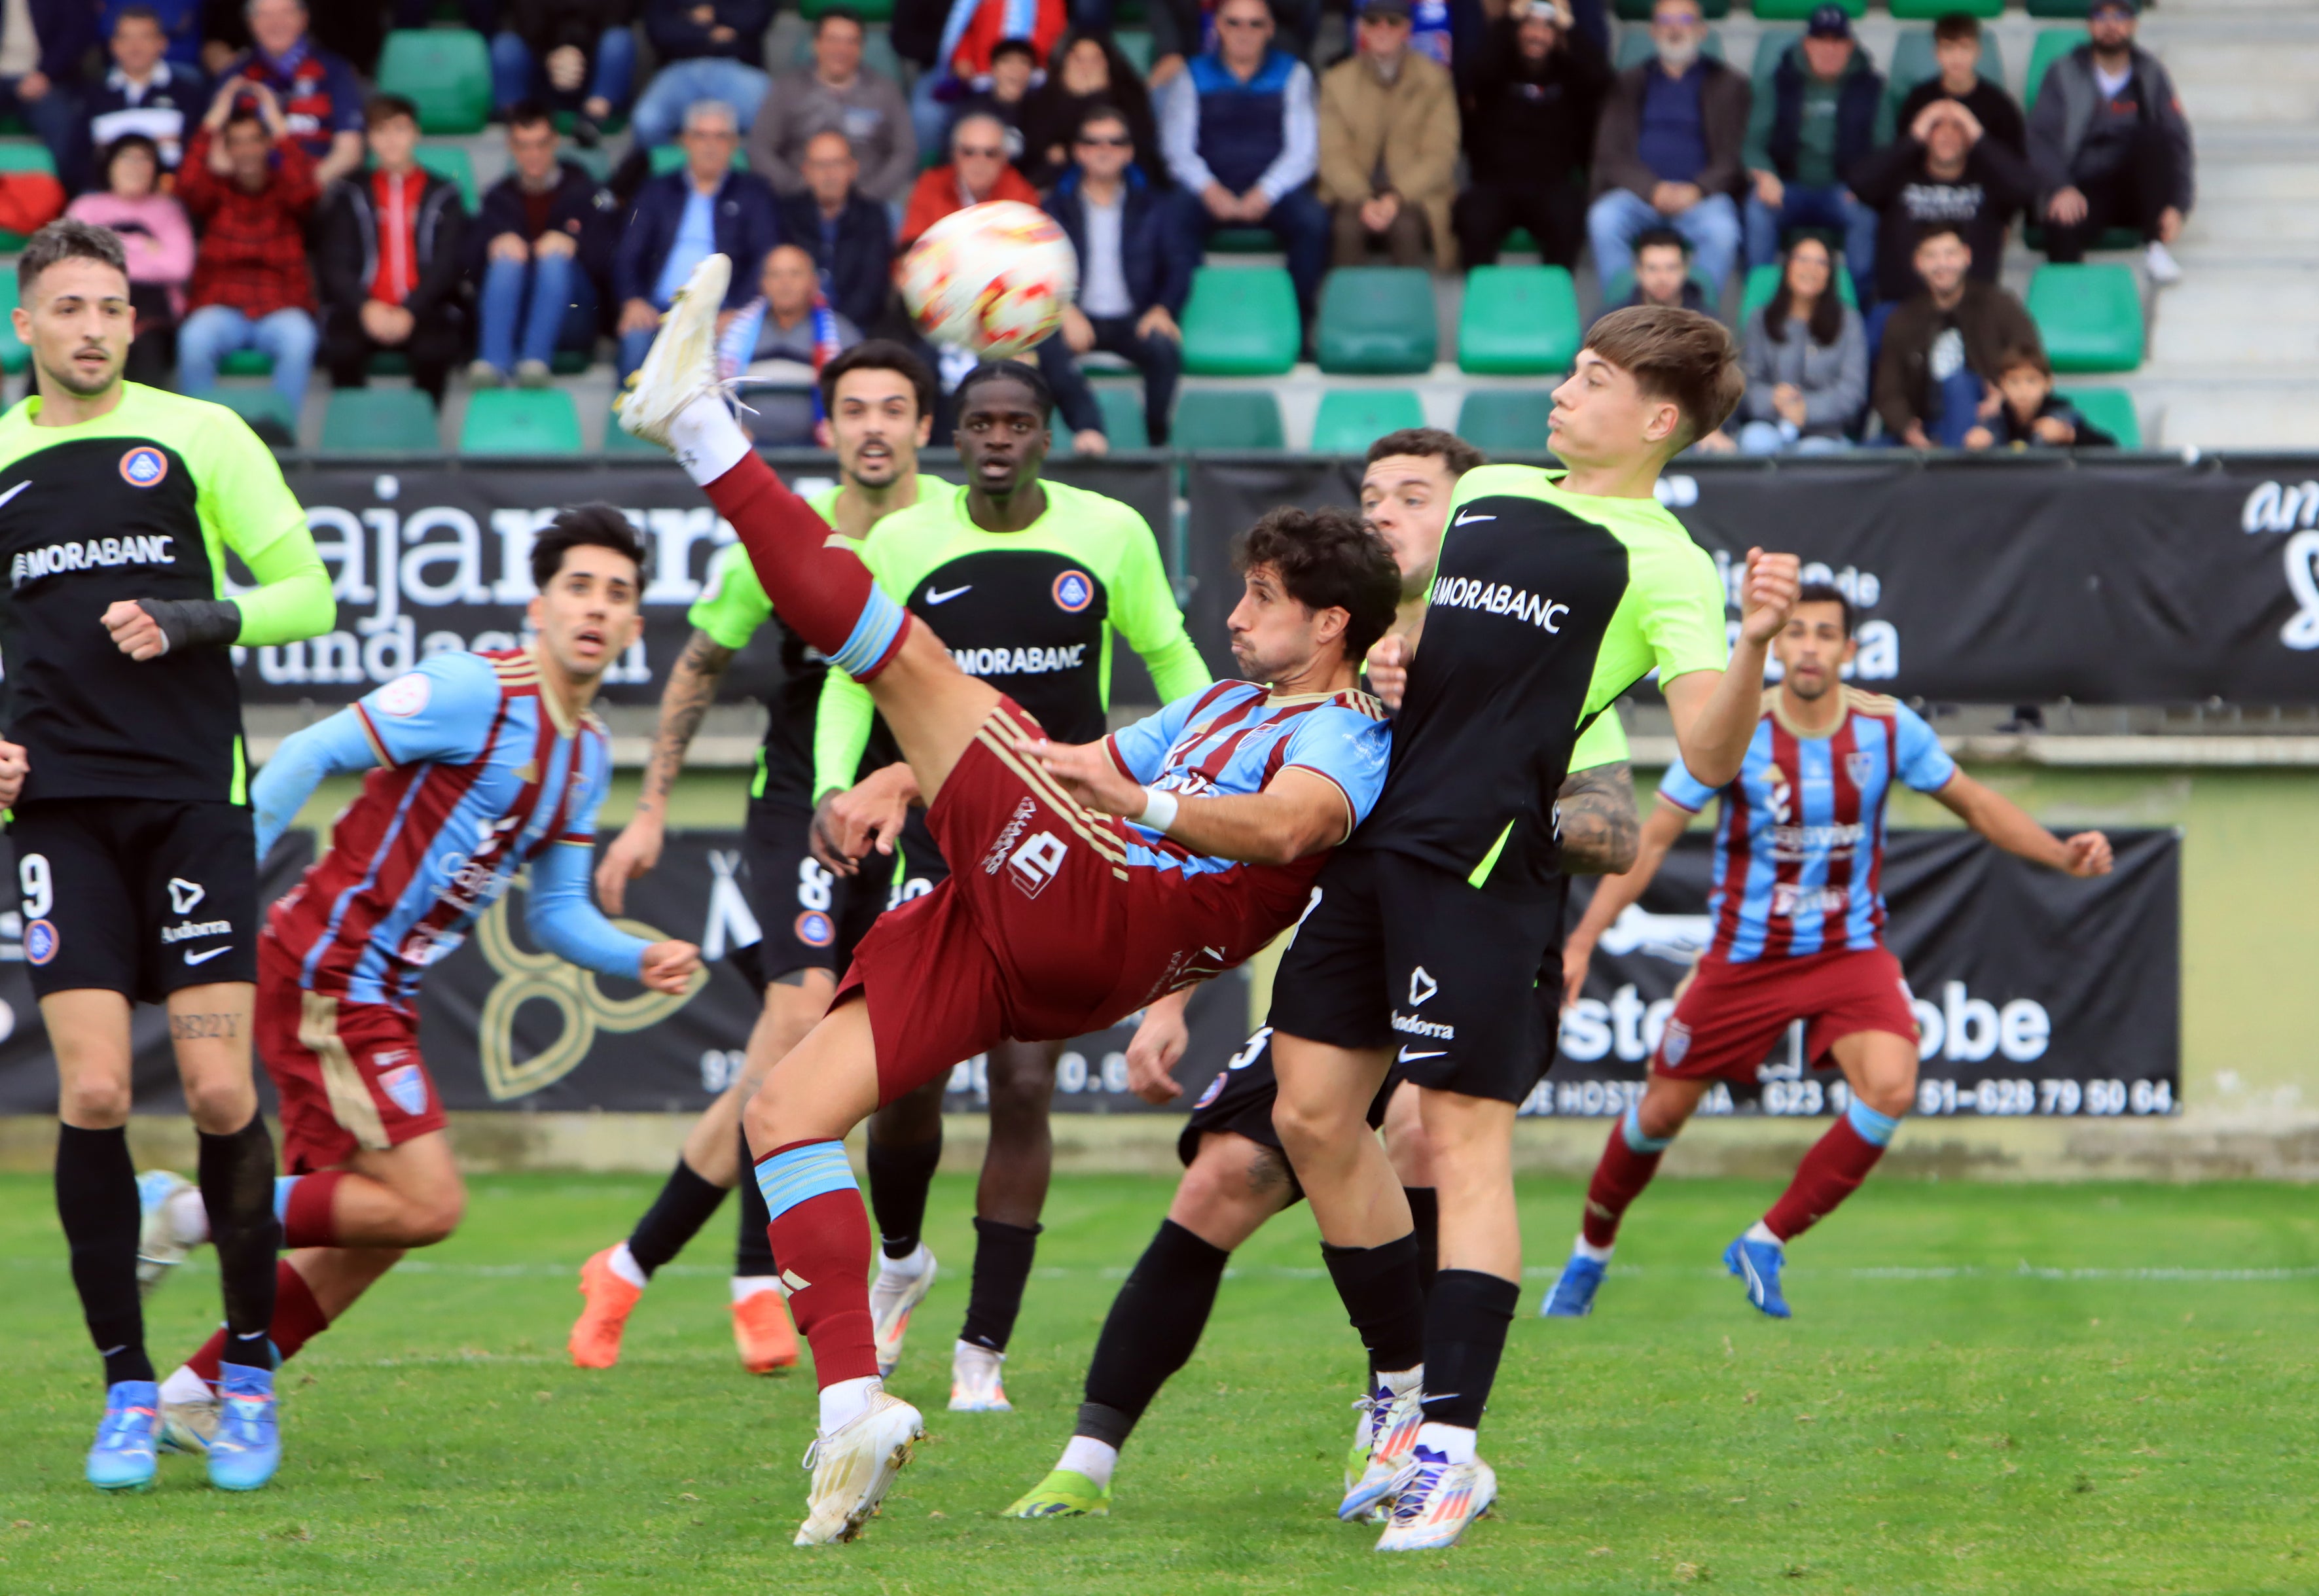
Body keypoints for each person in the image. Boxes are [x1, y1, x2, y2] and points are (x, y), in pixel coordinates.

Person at [614, 251, 1401, 1544]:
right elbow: (1064, 760)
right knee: (785, 1110)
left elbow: (1288, 827)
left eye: (1261, 599)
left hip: (1106, 912)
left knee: (908, 659)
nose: (1238, 612)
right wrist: (919, 785)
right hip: (1026, 918)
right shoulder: (1222, 702)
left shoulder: (1350, 732)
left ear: (1326, 625)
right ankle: (851, 1406)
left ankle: (699, 426)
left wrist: (1105, 792)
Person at [1003, 427, 1642, 1521]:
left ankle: (1410, 1427)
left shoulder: (1537, 662)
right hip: (1355, 947)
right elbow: (1252, 849)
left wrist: (1483, 798)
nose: (1386, 512)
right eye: (1371, 494)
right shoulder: (1326, 690)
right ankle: (1088, 1456)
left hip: (1468, 948)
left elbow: (1610, 826)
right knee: (1228, 1170)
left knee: (1417, 1136)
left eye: (1413, 496)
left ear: (1473, 531)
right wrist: (1173, 997)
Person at [1264, 304, 1801, 1550]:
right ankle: (1399, 1385)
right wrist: (1389, 647)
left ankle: (1448, 1448)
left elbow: (1709, 751)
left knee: (1461, 1143)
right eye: (1570, 367)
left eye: (1594, 378)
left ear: (1657, 418)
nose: (1562, 389)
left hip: (1489, 865)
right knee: (1306, 1113)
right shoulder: (1492, 484)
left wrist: (1757, 646)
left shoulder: (1660, 556)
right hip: (1377, 838)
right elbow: (1409, 614)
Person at [151, 510, 704, 1456]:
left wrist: (633, 955)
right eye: (578, 585)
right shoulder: (472, 687)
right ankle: (180, 1210)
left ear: (632, 627)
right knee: (426, 1203)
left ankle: (201, 1390)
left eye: (617, 594)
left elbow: (555, 912)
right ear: (539, 604)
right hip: (331, 970)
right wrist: (220, 892)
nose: (595, 607)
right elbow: (310, 751)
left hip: (376, 988)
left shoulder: (586, 752)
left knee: (370, 1233)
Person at [0, 217, 333, 1493]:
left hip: (195, 804)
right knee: (89, 1094)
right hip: (63, 819)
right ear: (27, 325)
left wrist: (200, 615)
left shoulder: (201, 434)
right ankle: (126, 1386)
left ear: (135, 324)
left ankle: (244, 1373)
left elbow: (307, 590)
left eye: (112, 307)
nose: (92, 326)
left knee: (217, 1095)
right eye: (67, 306)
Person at [810, 357, 1213, 1409]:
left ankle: (980, 1352)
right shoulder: (900, 541)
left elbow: (1173, 663)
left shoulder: (1109, 531)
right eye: (980, 422)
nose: (997, 437)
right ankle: (899, 1254)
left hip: (1061, 848)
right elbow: (855, 678)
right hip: (940, 848)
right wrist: (829, 784)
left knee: (1024, 1085)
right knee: (903, 1087)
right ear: (953, 437)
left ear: (1044, 435)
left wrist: (1206, 770)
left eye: (1017, 422)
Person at [1545, 584, 2115, 1321]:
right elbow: (1652, 839)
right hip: (1744, 959)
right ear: (1776, 646)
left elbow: (1975, 803)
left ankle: (1765, 1241)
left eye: (1826, 635)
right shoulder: (1735, 729)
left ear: (1851, 651)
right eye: (1797, 633)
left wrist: (2062, 854)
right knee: (1658, 1114)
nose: (1809, 647)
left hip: (1849, 953)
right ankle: (1591, 1252)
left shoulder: (1886, 728)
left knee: (1891, 1088)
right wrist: (1584, 939)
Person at [572, 342, 954, 1377]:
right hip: (799, 808)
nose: (873, 426)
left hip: (922, 812)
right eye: (852, 410)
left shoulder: (949, 538)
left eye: (893, 408)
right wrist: (648, 809)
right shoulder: (780, 542)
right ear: (826, 430)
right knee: (796, 1027)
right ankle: (758, 1280)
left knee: (813, 1066)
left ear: (925, 425)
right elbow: (697, 664)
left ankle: (637, 1262)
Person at [1162, 0, 1329, 327]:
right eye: (1234, 23)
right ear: (1218, 27)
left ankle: (1299, 325)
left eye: (1255, 24)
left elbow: (1303, 152)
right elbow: (1177, 150)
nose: (1244, 32)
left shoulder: (1293, 72)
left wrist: (1266, 192)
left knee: (1314, 223)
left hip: (1272, 190)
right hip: (1209, 189)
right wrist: (1210, 190)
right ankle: (1181, 322)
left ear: (1270, 29)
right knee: (1171, 219)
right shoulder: (1193, 74)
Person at [173, 82, 320, 420]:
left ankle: (280, 433)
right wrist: (213, 120)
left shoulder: (285, 190)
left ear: (267, 144)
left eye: (254, 140)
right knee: (194, 340)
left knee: (300, 338)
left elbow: (307, 187)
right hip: (222, 308)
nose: (247, 150)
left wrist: (280, 125)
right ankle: (204, 438)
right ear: (226, 149)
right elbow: (187, 184)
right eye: (236, 142)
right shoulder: (216, 192)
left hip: (279, 306)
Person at [1047, 103, 1191, 445]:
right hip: (1077, 318)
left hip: (1134, 320)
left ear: (1129, 152)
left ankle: (1157, 445)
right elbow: (1040, 269)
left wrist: (1162, 309)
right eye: (1093, 142)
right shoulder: (1054, 208)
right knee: (1043, 349)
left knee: (1164, 349)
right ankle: (1088, 431)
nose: (1104, 150)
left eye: (1115, 142)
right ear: (1078, 151)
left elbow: (1179, 266)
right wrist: (1064, 309)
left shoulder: (1157, 207)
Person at [1585, 0, 1746, 299]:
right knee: (1603, 219)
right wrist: (1652, 189)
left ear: (1701, 30)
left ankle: (1697, 318)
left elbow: (1735, 155)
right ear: (1653, 31)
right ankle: (1626, 318)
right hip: (1639, 197)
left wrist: (1697, 189)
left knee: (1723, 232)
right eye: (1665, 20)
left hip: (1701, 198)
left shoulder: (1729, 84)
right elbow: (1609, 153)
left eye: (1684, 19)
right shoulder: (1629, 82)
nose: (1674, 28)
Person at [2026, 0, 2194, 285]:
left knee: (2152, 137)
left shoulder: (2150, 73)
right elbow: (2040, 138)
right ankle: (2070, 294)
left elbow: (2177, 142)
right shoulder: (2064, 72)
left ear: (2133, 24)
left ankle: (2155, 248)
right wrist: (2059, 186)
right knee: (2061, 217)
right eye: (2101, 16)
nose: (2111, 25)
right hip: (2082, 187)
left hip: (2134, 191)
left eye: (2120, 16)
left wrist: (2178, 205)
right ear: (2090, 25)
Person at [317, 96, 469, 408]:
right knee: (342, 349)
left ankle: (424, 441)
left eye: (400, 129)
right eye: (381, 131)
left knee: (434, 350)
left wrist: (411, 309)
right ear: (369, 139)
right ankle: (353, 437)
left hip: (424, 306)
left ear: (416, 134)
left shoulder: (443, 194)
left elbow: (447, 263)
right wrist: (366, 307)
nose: (391, 141)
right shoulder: (350, 193)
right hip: (363, 307)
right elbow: (335, 262)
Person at [613, 99, 781, 382]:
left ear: (734, 145)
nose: (710, 145)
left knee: (728, 365)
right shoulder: (656, 190)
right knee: (634, 342)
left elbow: (766, 258)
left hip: (723, 312)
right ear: (685, 142)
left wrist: (738, 311)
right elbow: (628, 253)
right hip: (659, 311)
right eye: (701, 136)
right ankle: (632, 427)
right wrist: (633, 300)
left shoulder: (754, 193)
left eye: (720, 137)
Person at [1740, 6, 1882, 309]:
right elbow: (1753, 144)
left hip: (1844, 192)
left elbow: (1886, 151)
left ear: (1850, 45)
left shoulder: (1871, 87)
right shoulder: (1779, 81)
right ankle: (1758, 309)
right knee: (1757, 208)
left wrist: (1865, 186)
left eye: (1837, 41)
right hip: (1788, 189)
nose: (1829, 49)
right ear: (1807, 44)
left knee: (1866, 215)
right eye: (1821, 40)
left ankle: (1856, 309)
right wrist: (1765, 176)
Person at [469, 101, 617, 389]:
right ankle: (493, 363)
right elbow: (468, 266)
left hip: (573, 314)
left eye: (541, 144)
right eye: (524, 146)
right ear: (511, 146)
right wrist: (495, 244)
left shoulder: (586, 191)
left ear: (555, 142)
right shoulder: (497, 198)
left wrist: (574, 242)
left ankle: (535, 361)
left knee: (554, 258)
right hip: (513, 313)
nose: (533, 154)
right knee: (507, 257)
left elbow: (609, 258)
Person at [1454, 0, 1608, 272]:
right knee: (1473, 218)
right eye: (1529, 26)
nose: (1536, 35)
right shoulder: (1498, 66)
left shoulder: (1570, 70)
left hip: (1553, 184)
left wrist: (1569, 26)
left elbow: (1602, 81)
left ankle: (1555, 306)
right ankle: (1481, 304)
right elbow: (1473, 75)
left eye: (1547, 28)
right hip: (1495, 183)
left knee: (1569, 219)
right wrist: (1509, 21)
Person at [1849, 94, 2035, 310]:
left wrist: (1978, 133)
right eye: (1937, 126)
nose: (1948, 135)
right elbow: (1858, 183)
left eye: (1958, 127)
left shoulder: (1988, 180)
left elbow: (2028, 190)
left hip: (1972, 311)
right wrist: (1913, 137)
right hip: (1900, 308)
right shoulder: (1899, 175)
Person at [1318, 0, 1460, 271]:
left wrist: (1397, 196)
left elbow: (1441, 155)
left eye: (1392, 23)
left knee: (1406, 228)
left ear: (1407, 29)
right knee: (1346, 228)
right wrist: (1363, 198)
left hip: (1414, 192)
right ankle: (1347, 313)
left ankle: (1411, 313)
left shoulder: (1435, 80)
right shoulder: (1337, 81)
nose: (1382, 30)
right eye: (1373, 22)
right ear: (1361, 29)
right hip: (1352, 191)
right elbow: (1332, 154)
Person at [1872, 222, 2040, 450]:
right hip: (1925, 430)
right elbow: (1888, 390)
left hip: (1989, 427)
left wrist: (2003, 395)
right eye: (1931, 256)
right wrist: (1908, 429)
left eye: (1950, 254)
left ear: (1966, 257)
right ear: (1918, 263)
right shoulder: (1902, 319)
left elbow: (2031, 360)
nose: (1942, 264)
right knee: (1861, 458)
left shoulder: (1998, 304)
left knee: (1958, 383)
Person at [747, 7, 917, 207]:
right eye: (833, 40)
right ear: (816, 44)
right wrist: (794, 188)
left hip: (869, 202)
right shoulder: (787, 89)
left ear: (861, 48)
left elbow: (905, 151)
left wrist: (871, 193)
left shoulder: (885, 91)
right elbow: (760, 148)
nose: (841, 50)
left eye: (851, 41)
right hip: (798, 202)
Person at [67, 135, 193, 389]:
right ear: (110, 164)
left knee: (147, 351)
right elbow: (72, 261)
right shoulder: (86, 207)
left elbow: (179, 266)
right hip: (90, 306)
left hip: (152, 319)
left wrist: (105, 249)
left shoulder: (168, 210)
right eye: (126, 157)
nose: (135, 166)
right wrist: (141, 246)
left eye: (144, 158)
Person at [715, 243, 863, 445]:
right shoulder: (734, 332)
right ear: (763, 283)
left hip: (818, 454)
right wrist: (729, 429)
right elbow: (712, 395)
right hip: (744, 450)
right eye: (775, 275)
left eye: (794, 274)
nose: (785, 283)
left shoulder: (841, 333)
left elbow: (860, 397)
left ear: (814, 282)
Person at [1733, 236, 1864, 453]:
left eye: (1821, 263)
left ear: (1830, 273)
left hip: (1826, 433)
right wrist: (1773, 399)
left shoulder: (1848, 322)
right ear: (1787, 267)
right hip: (1770, 424)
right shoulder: (1761, 319)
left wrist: (1807, 409)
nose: (1810, 269)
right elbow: (1745, 384)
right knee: (1755, 442)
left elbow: (1852, 392)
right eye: (1802, 259)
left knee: (1811, 453)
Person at [213, 0, 363, 186]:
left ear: (304, 18)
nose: (276, 23)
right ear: (250, 22)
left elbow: (349, 151)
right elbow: (216, 155)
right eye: (265, 15)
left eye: (286, 13)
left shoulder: (335, 71)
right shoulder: (234, 77)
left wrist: (304, 191)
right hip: (250, 198)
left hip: (319, 191)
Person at [774, 130, 895, 337]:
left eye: (837, 163)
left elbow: (873, 287)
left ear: (852, 168)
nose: (829, 173)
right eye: (820, 165)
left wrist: (835, 329)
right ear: (806, 171)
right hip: (793, 326)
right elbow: (777, 276)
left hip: (856, 328)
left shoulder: (873, 216)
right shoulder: (786, 213)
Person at [909, 0, 1068, 158]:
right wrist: (962, 57)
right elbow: (965, 28)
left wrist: (1011, 62)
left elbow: (1051, 33)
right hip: (976, 77)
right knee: (930, 113)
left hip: (1026, 75)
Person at [1020, 29, 1159, 191]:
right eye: (1078, 59)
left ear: (1107, 62)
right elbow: (1039, 148)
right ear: (1065, 60)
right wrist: (1073, 99)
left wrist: (1097, 97)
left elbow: (1136, 143)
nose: (1085, 67)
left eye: (1094, 60)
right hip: (1055, 185)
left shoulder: (1130, 94)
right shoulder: (1043, 96)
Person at [489, 0, 638, 145]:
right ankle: (520, 127)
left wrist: (577, 52)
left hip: (595, 69)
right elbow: (523, 18)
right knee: (505, 47)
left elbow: (618, 16)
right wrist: (549, 56)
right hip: (543, 63)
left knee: (619, 42)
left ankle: (592, 121)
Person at [632, 0, 774, 149]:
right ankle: (680, 170)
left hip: (738, 68)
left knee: (775, 123)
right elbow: (660, 30)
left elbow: (756, 17)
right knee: (646, 122)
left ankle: (735, 171)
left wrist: (711, 12)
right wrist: (709, 34)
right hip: (680, 71)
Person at [897, 109, 1040, 251]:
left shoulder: (1021, 193)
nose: (980, 161)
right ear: (954, 155)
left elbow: (1033, 253)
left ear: (1004, 158)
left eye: (990, 153)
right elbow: (909, 251)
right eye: (969, 152)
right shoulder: (930, 186)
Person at [88, 5, 206, 175]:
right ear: (113, 45)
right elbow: (80, 160)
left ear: (162, 43)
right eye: (126, 38)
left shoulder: (188, 94)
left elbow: (198, 154)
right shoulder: (94, 95)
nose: (135, 47)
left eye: (144, 37)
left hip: (171, 195)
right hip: (107, 196)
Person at [1893, 11, 2022, 159]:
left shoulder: (1999, 105)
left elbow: (2015, 167)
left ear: (1977, 52)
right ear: (1937, 53)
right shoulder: (1918, 100)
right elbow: (1899, 158)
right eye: (1948, 48)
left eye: (1965, 48)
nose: (1957, 57)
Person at [0, 0, 94, 194]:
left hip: (43, 77)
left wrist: (45, 73)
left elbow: (76, 32)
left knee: (63, 123)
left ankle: (67, 197)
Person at [1971, 342, 2117, 451]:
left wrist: (2069, 436)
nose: (2023, 390)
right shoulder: (1995, 421)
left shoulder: (2063, 415)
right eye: (2014, 382)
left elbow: (2109, 445)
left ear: (2047, 383)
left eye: (2031, 381)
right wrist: (1976, 446)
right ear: (2001, 385)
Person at [951, 37, 1038, 163]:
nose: (1016, 69)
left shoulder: (1041, 109)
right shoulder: (971, 108)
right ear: (993, 68)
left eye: (1024, 62)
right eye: (1007, 62)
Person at [1598, 225, 1706, 322]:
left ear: (1685, 270)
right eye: (1652, 268)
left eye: (1671, 268)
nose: (1662, 278)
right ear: (1638, 271)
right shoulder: (1612, 324)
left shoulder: (1707, 325)